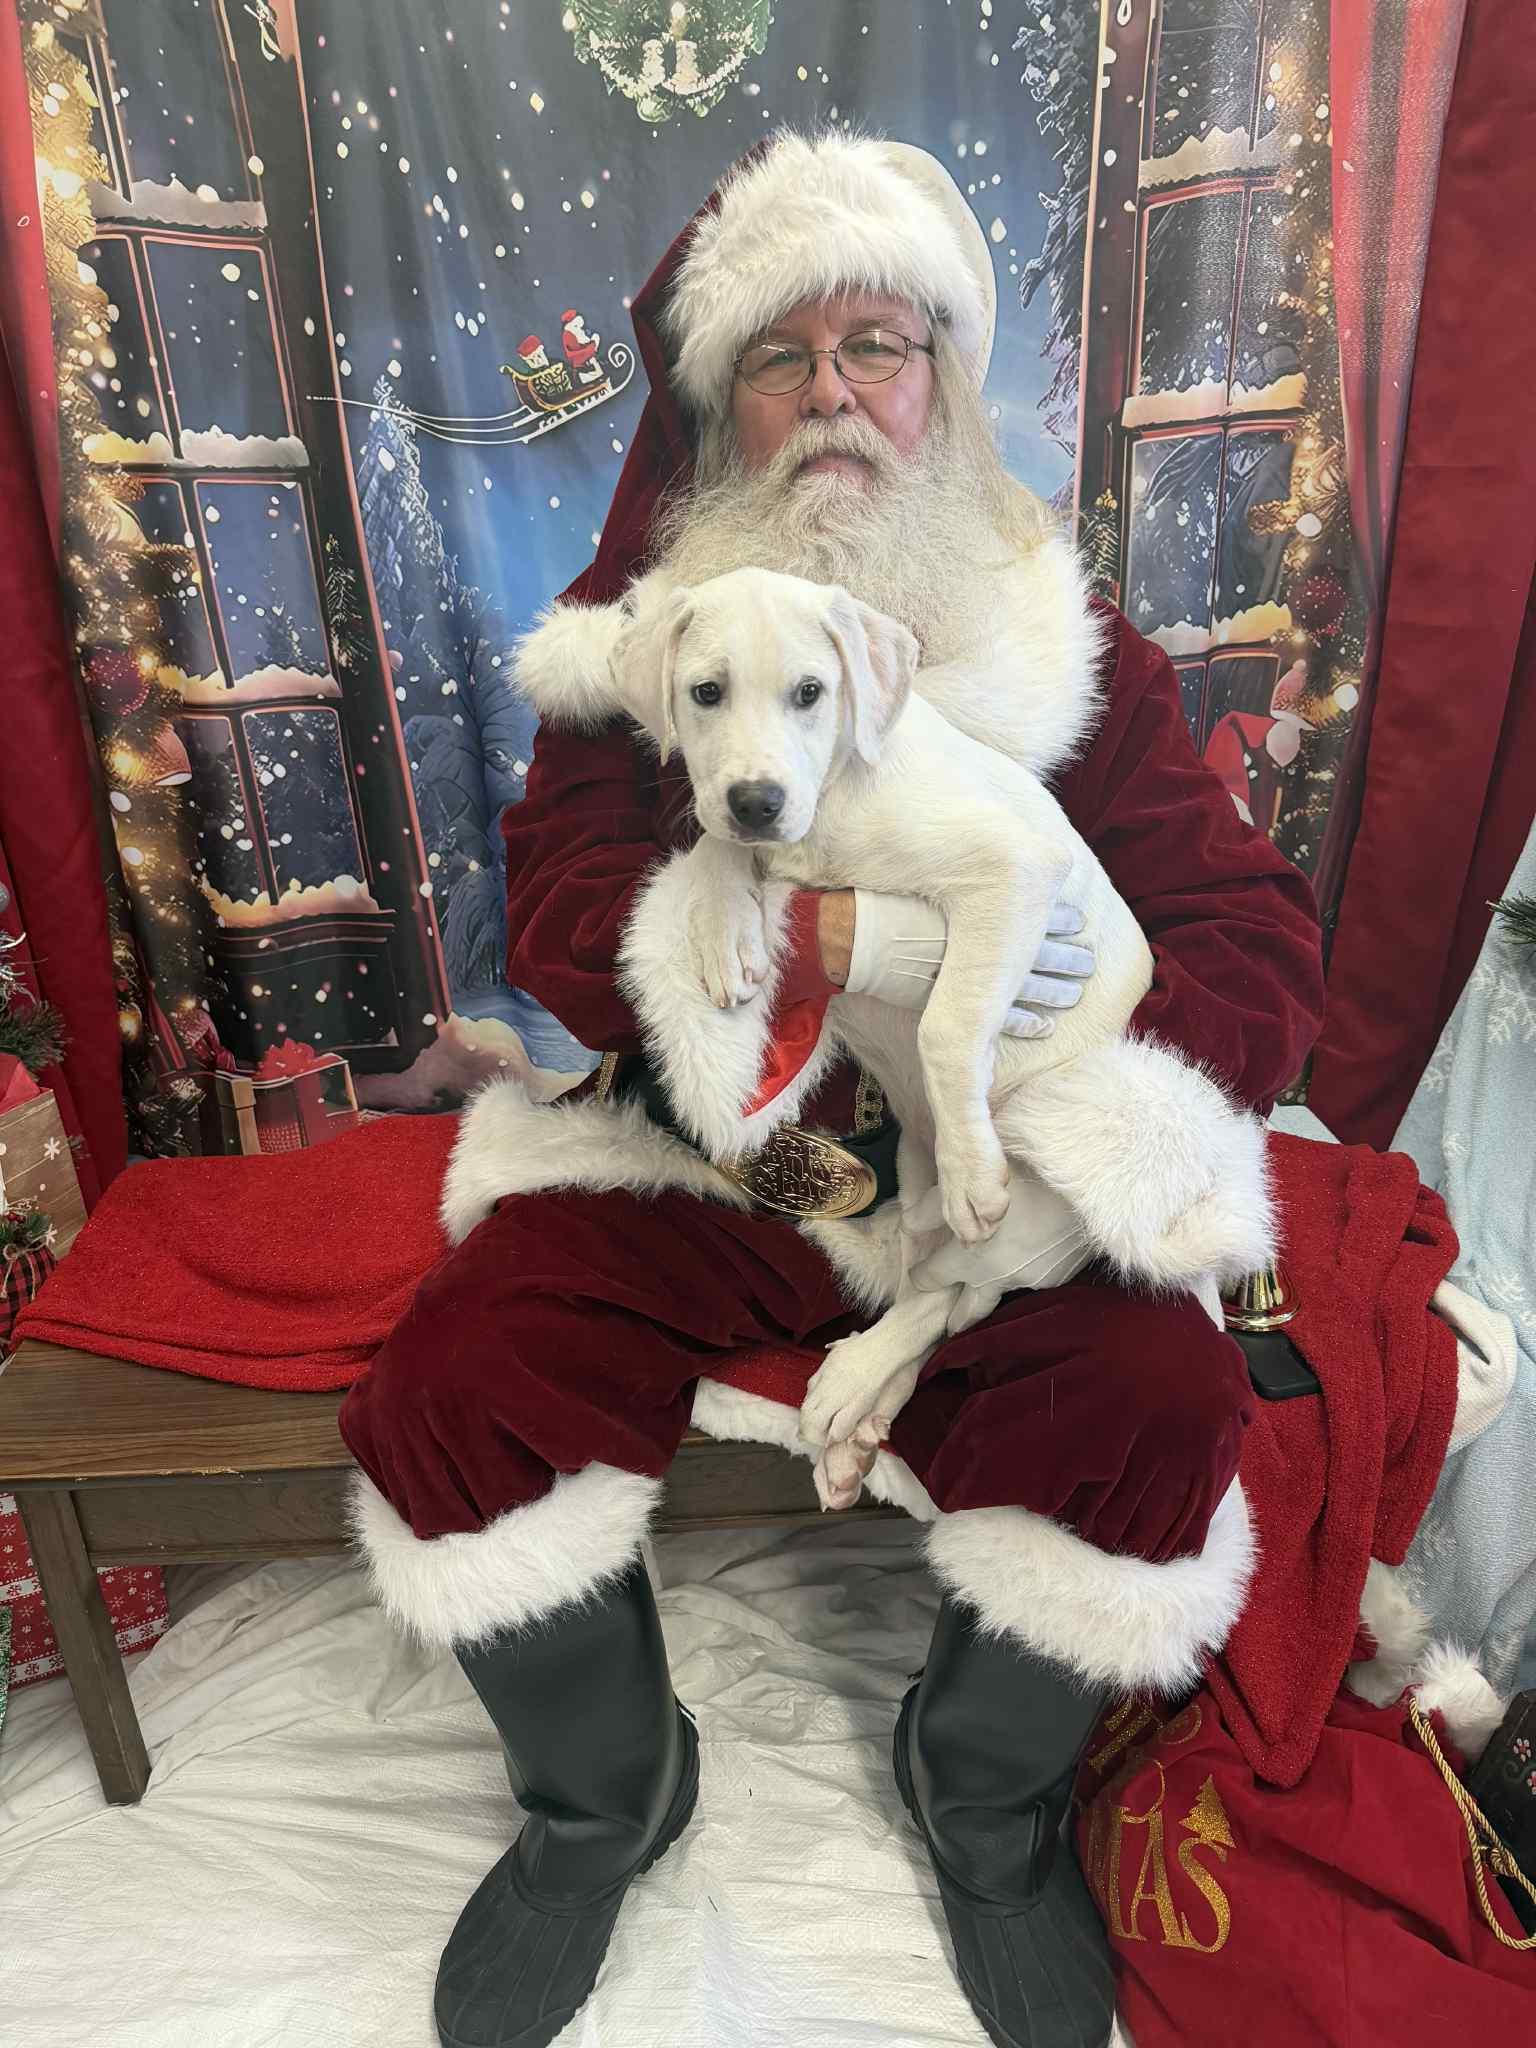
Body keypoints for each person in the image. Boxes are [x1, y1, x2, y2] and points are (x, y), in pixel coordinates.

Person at [339, 132, 1325, 2048]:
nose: (834, 397)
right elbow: (553, 900)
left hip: (981, 1190)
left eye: (879, 344)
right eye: (782, 360)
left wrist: (1065, 1093)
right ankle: (602, 1802)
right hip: (723, 1163)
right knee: (453, 1382)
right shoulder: (672, 644)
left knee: (1157, 1399)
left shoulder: (1065, 653)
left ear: (943, 382)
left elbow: (1250, 935)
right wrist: (743, 979)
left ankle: (985, 1805)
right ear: (726, 409)